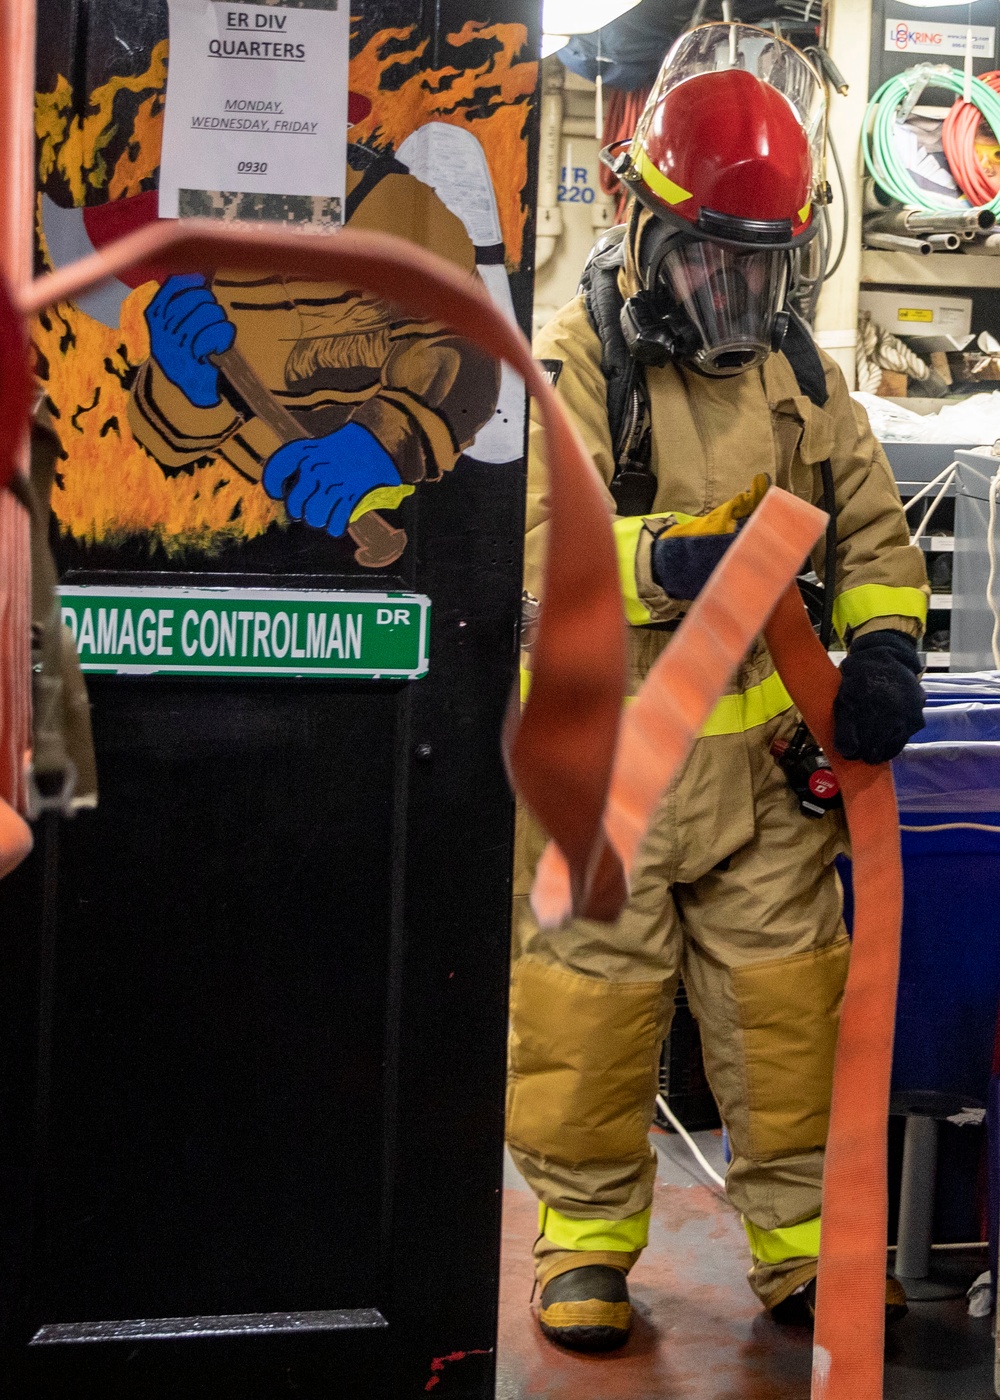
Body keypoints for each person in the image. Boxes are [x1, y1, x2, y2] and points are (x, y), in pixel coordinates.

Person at [508, 23, 929, 1353]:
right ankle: (582, 1244)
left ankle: (804, 1250)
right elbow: (529, 548)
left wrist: (885, 655)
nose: (730, 299)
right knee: (589, 1015)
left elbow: (874, 542)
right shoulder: (573, 359)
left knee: (790, 1012)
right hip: (609, 787)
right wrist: (662, 558)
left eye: (759, 269)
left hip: (760, 791)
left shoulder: (805, 383)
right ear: (638, 227)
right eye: (705, 261)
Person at [127, 143, 500, 541]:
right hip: (238, 525)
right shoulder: (193, 239)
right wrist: (189, 391)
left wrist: (384, 441)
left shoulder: (397, 208)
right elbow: (162, 450)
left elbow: (462, 348)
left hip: (410, 510)